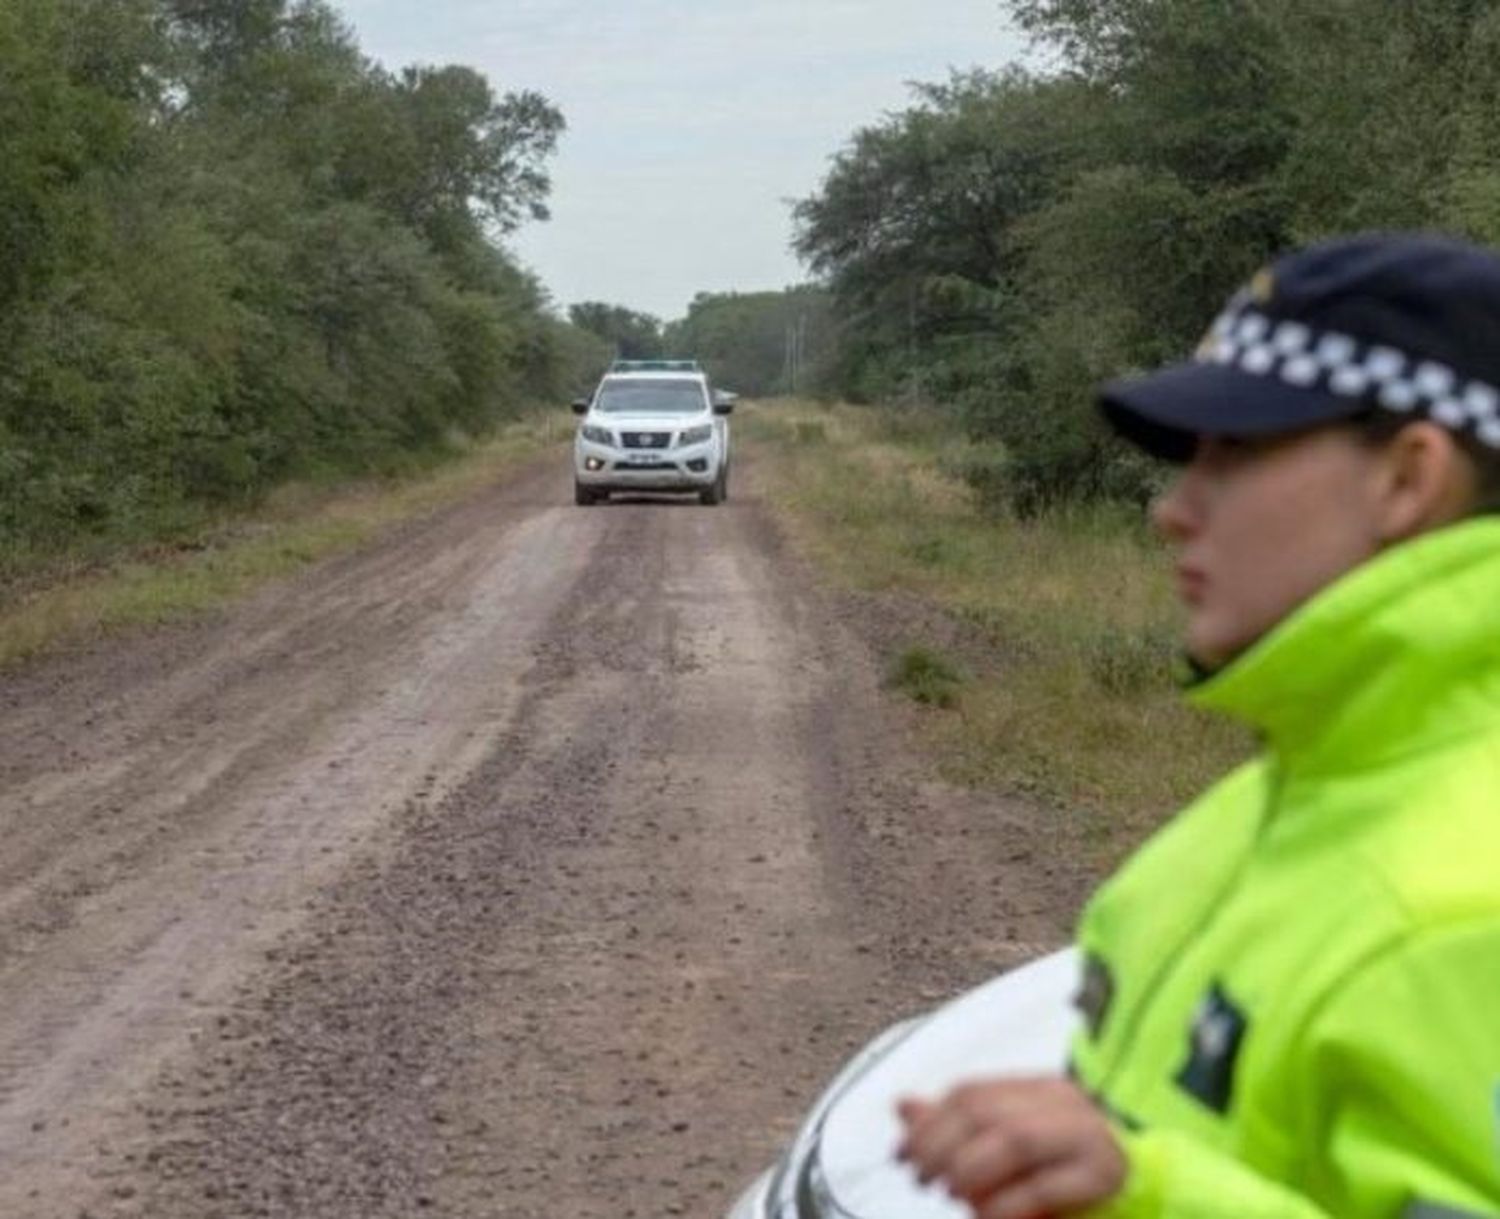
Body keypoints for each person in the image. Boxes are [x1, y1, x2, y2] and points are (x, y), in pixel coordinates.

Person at [896, 232, 1500, 1219]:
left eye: (1235, 451)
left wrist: (1147, 1195)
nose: (1174, 510)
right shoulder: (1236, 824)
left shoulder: (1469, 910)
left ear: (1407, 478)